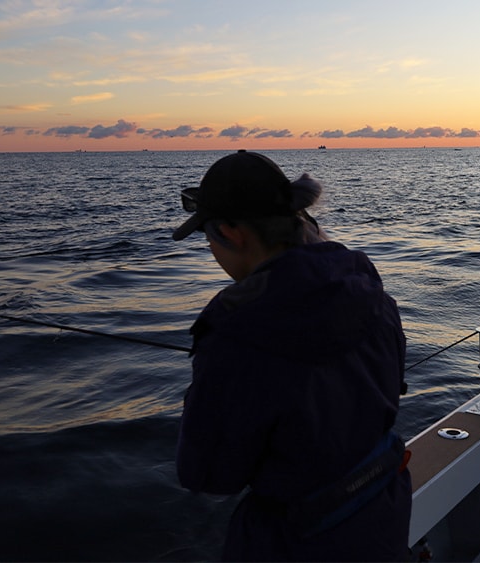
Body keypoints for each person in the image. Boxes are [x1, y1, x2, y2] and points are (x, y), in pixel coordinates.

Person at [172, 150, 411, 561]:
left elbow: (207, 473)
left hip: (293, 543)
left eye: (208, 237)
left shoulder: (236, 332)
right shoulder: (369, 290)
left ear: (232, 232)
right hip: (381, 517)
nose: (212, 249)